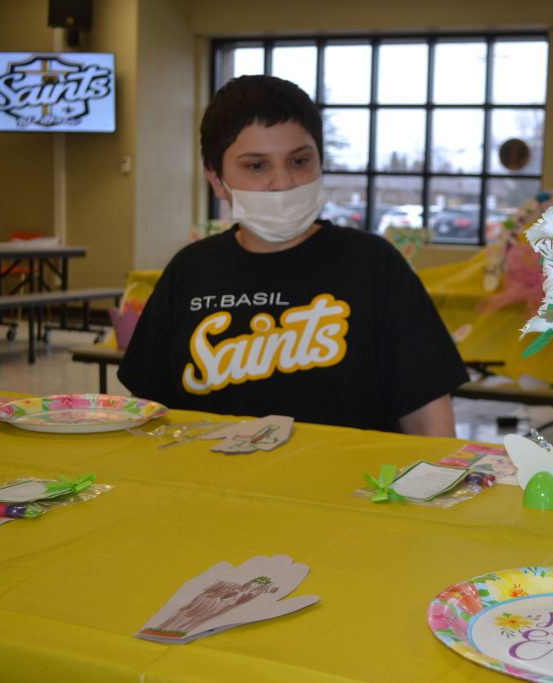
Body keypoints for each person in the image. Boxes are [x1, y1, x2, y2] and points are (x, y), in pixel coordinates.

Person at [118, 75, 467, 437]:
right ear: (216, 179)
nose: (282, 182)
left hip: (343, 490)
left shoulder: (373, 265)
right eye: (256, 166)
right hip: (214, 488)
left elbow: (429, 418)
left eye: (299, 161)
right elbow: (148, 415)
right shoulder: (190, 271)